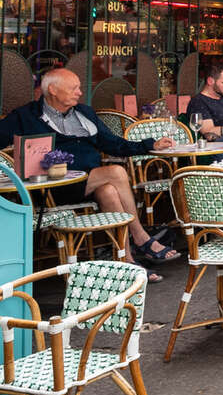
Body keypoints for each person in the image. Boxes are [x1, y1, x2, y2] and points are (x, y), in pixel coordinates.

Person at [0, 68, 180, 277]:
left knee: (109, 191)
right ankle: (141, 238)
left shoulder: (84, 113)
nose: (79, 92)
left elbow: (113, 144)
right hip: (52, 188)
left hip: (87, 183)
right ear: (53, 90)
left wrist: (150, 144)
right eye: (74, 88)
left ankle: (126, 261)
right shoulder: (25, 116)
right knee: (116, 172)